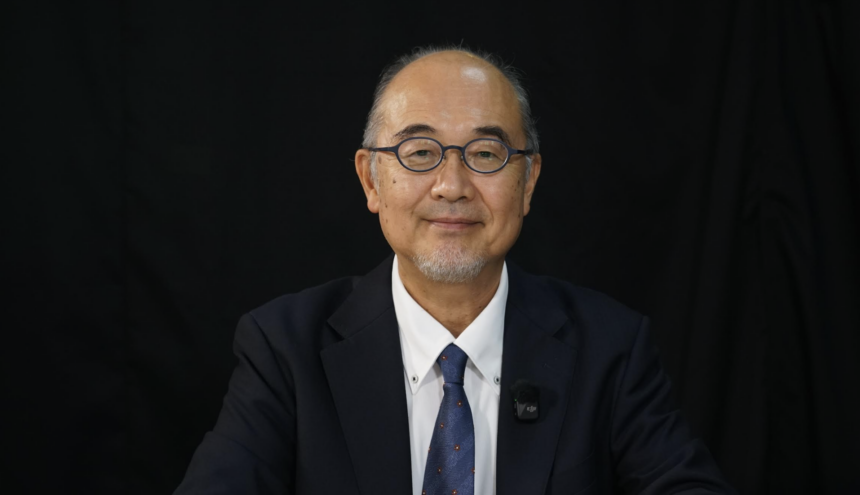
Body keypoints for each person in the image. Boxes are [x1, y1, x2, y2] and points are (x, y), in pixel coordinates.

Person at [175, 46, 736, 495]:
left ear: (529, 182)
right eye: (420, 153)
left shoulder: (609, 348)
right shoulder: (284, 349)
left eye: (486, 154)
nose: (452, 185)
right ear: (371, 181)